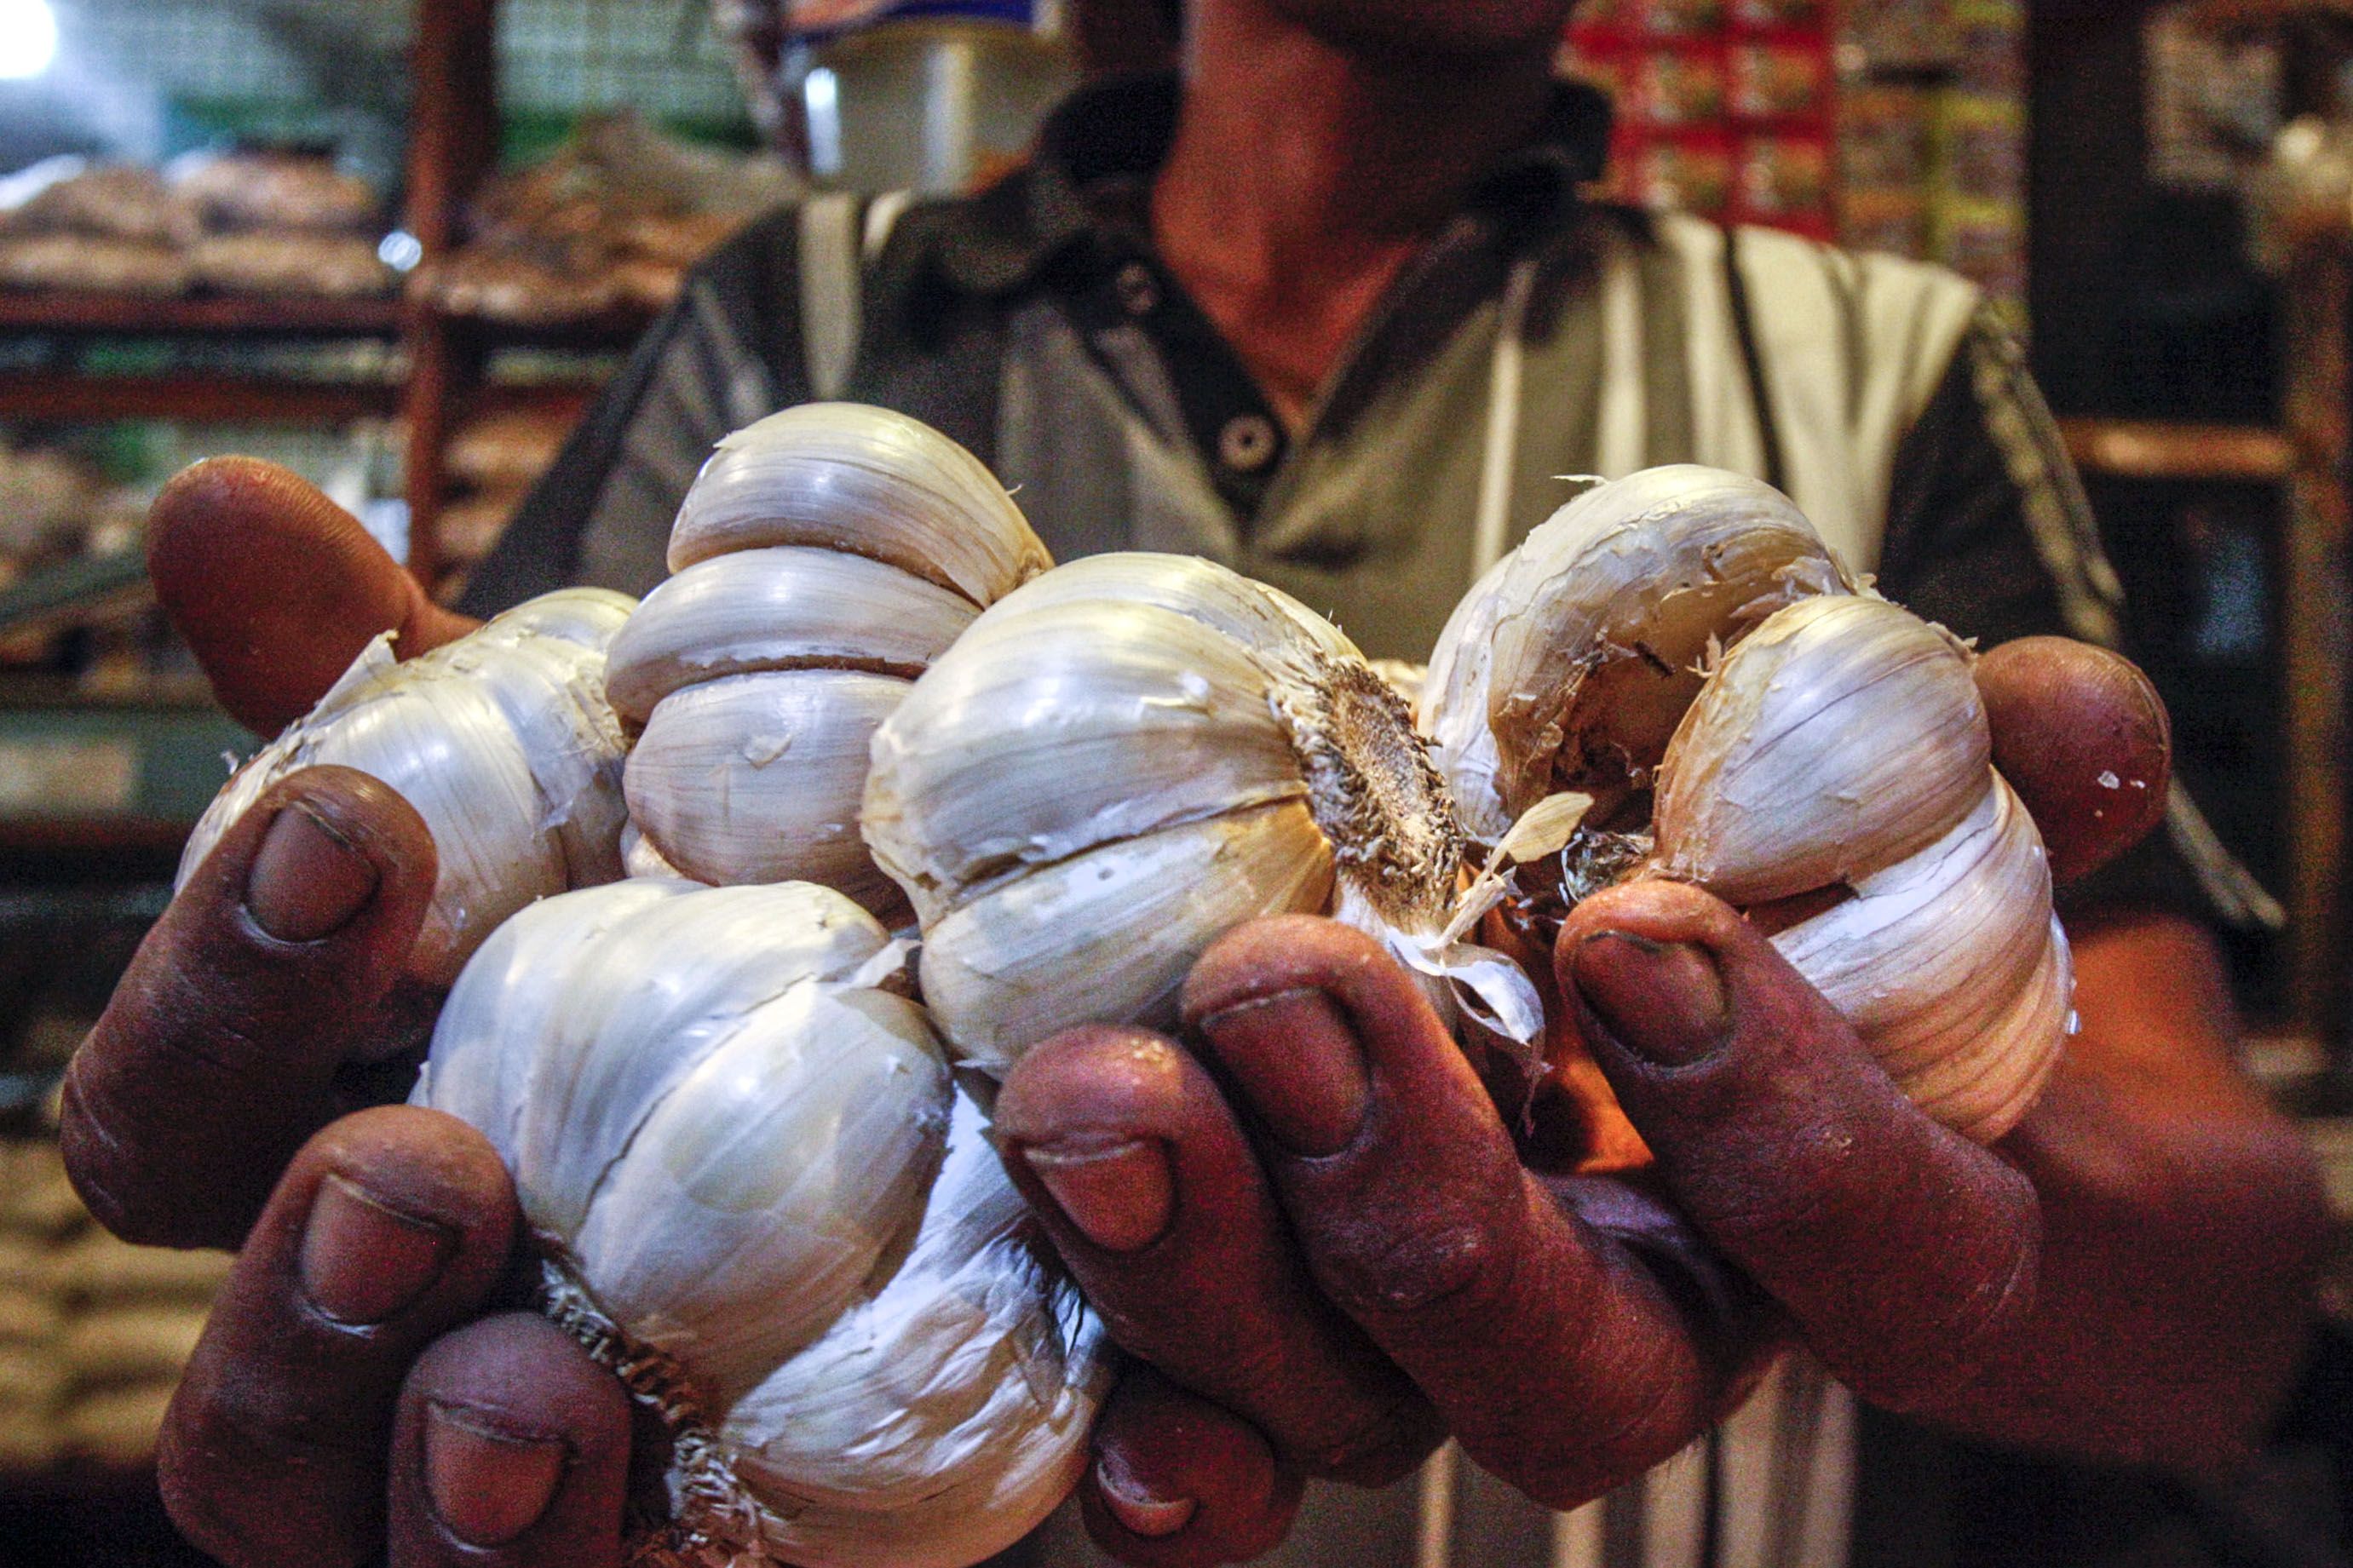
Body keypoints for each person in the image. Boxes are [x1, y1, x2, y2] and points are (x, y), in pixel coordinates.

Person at [60, 2, 2331, 1565]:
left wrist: (1940, 1256)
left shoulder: (1891, 354)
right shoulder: (791, 318)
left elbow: (2226, 1283)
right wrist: (405, 956)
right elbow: (584, 844)